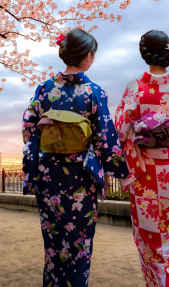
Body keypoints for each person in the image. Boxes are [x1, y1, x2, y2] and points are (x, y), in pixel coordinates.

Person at [22, 28, 129, 287]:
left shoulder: (45, 89)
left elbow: (28, 125)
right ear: (88, 57)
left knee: (54, 244)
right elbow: (105, 137)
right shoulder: (94, 92)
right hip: (81, 178)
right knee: (80, 245)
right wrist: (121, 172)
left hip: (49, 175)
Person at [114, 30, 169, 287]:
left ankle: (153, 283)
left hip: (145, 173)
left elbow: (121, 129)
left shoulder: (134, 88)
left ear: (144, 53)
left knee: (148, 236)